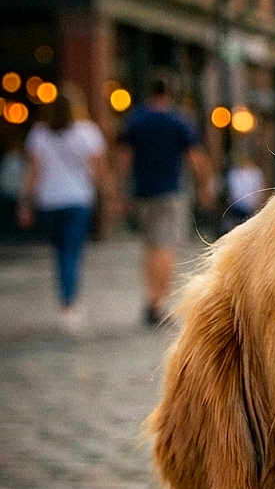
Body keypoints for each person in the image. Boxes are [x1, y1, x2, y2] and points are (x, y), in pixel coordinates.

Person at [117, 75, 214, 326]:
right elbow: (196, 158)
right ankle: (158, 302)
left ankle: (151, 296)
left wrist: (120, 191)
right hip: (171, 192)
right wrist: (204, 186)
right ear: (169, 94)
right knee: (167, 246)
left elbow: (124, 159)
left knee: (150, 247)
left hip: (143, 193)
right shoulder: (178, 121)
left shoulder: (136, 120)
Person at [16, 88, 107, 331]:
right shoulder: (88, 132)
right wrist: (106, 196)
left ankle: (66, 300)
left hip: (50, 201)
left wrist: (26, 202)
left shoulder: (39, 134)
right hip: (78, 200)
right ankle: (69, 304)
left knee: (60, 253)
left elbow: (33, 172)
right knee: (72, 252)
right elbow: (98, 171)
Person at [222, 148, 266, 232]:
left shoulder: (256, 172)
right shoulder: (233, 173)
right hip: (236, 210)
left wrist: (256, 208)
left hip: (252, 210)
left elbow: (260, 193)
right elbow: (232, 194)